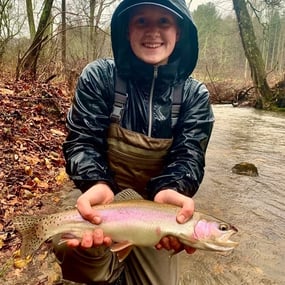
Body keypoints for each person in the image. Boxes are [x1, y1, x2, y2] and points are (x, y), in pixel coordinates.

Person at [53, 0, 214, 284]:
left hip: (156, 209)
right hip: (101, 200)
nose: (153, 31)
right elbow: (82, 142)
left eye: (163, 22)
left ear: (179, 31)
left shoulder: (194, 96)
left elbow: (189, 158)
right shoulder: (100, 78)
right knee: (80, 255)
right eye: (142, 21)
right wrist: (95, 185)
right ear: (126, 30)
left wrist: (172, 191)